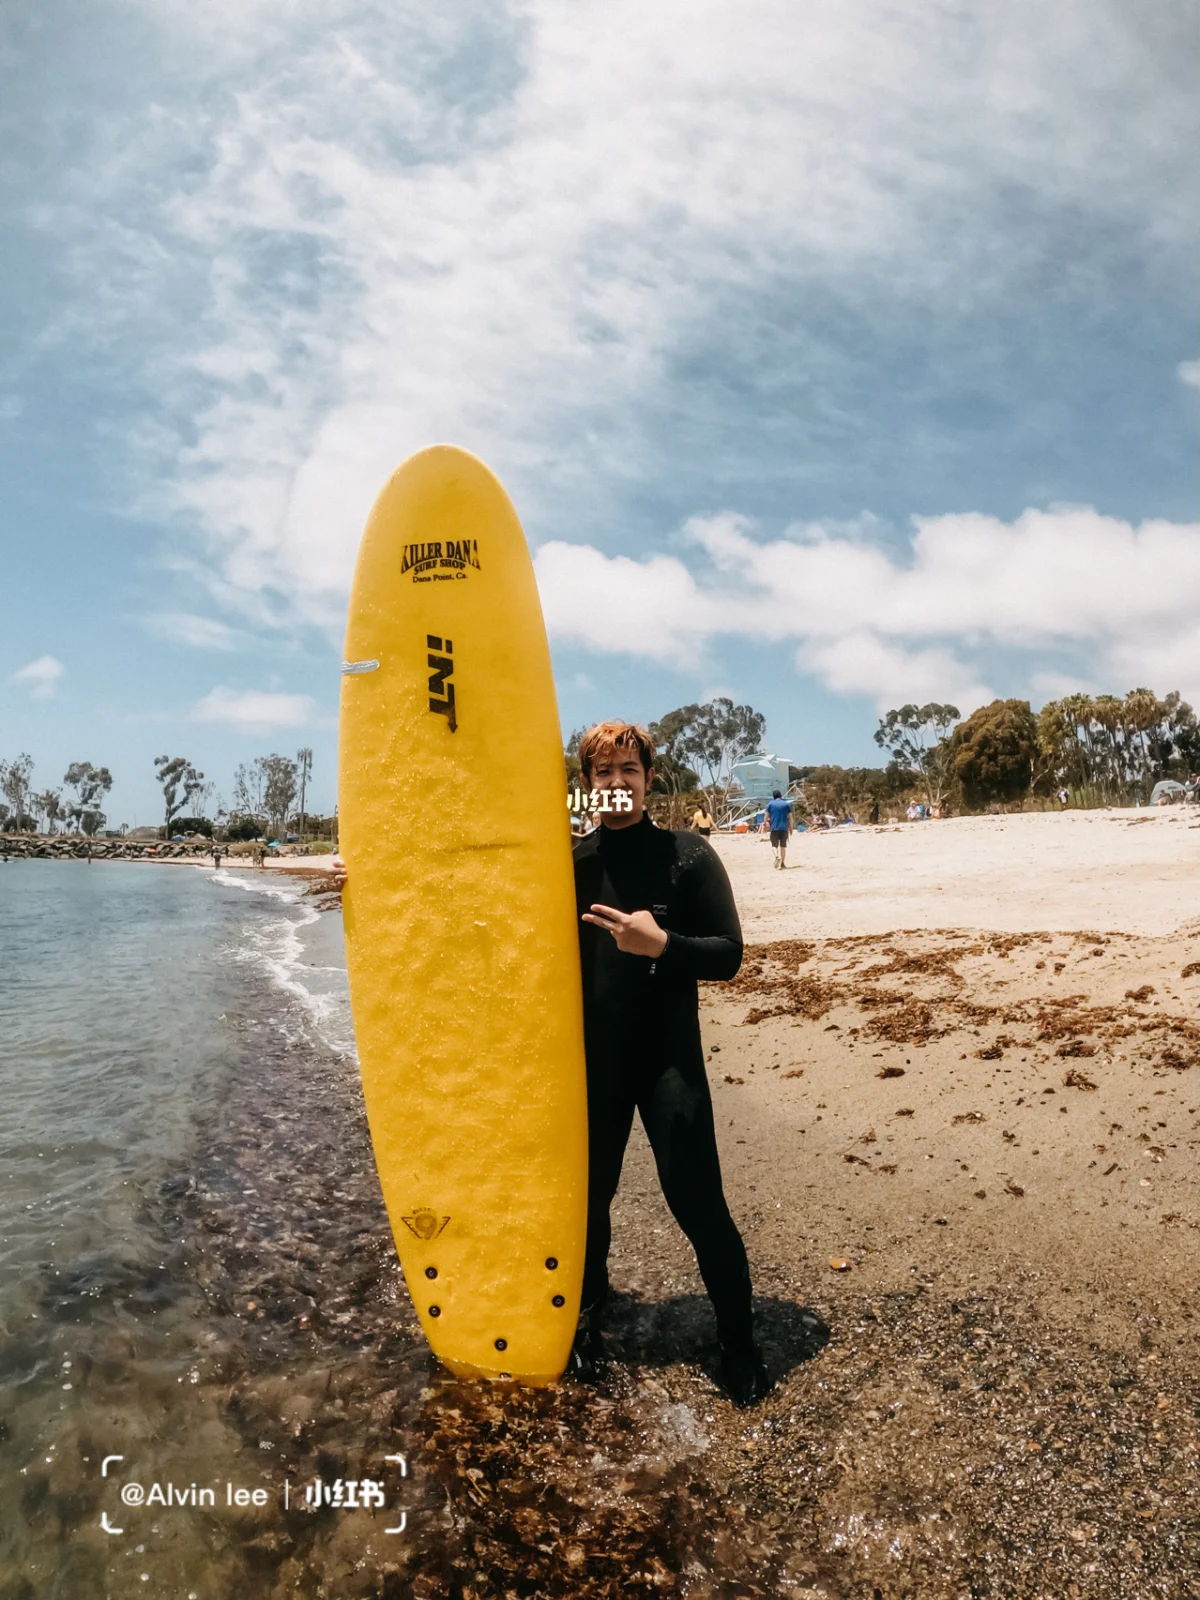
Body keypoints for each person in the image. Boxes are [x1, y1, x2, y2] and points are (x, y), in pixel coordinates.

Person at [571, 721, 768, 1405]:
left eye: (629, 770)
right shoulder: (566, 862)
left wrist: (662, 945)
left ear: (649, 779)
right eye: (603, 773)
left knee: (698, 1203)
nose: (617, 783)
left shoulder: (687, 855)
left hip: (667, 1065)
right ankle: (586, 1320)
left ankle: (739, 1347)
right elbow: (473, 899)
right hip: (590, 1068)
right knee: (586, 1207)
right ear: (586, 784)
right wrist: (364, 873)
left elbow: (729, 954)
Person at [760, 789, 793, 869]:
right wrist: (791, 827)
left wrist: (764, 824)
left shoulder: (770, 804)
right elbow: (791, 818)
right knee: (783, 846)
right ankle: (782, 863)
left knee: (774, 845)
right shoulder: (786, 804)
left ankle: (776, 856)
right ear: (781, 796)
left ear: (773, 797)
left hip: (774, 828)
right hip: (784, 828)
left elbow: (766, 815)